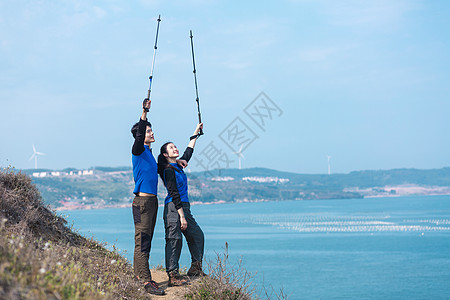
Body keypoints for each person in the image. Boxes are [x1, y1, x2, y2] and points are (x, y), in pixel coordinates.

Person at [130, 98, 187, 295]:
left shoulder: (149, 154)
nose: (152, 132)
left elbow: (164, 166)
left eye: (151, 130)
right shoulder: (137, 150)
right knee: (143, 241)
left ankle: (138, 275)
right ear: (140, 135)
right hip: (142, 202)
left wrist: (178, 160)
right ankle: (146, 281)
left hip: (151, 202)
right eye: (148, 131)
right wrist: (144, 112)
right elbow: (139, 137)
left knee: (145, 239)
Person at [157, 122, 206, 287]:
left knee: (197, 235)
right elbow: (174, 193)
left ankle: (195, 268)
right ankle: (173, 275)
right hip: (173, 207)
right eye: (171, 148)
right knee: (174, 239)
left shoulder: (178, 165)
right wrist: (182, 216)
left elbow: (188, 151)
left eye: (175, 146)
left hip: (184, 206)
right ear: (165, 154)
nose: (175, 149)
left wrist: (195, 133)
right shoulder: (168, 170)